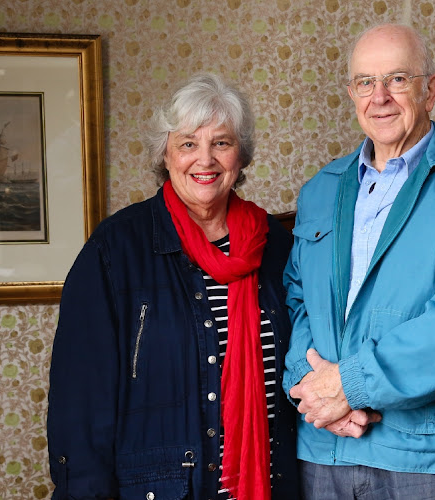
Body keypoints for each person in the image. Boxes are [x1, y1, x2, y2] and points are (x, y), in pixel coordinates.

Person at [283, 23, 435, 499]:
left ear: (431, 89)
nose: (380, 96)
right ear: (352, 93)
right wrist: (308, 385)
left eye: (398, 80)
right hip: (323, 443)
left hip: (421, 454)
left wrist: (349, 385)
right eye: (366, 82)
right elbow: (295, 299)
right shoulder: (321, 188)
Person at [47, 73, 298, 500]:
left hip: (274, 485)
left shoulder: (277, 245)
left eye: (221, 143)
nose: (205, 160)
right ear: (165, 154)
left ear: (241, 157)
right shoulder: (115, 250)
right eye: (188, 144)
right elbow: (80, 406)